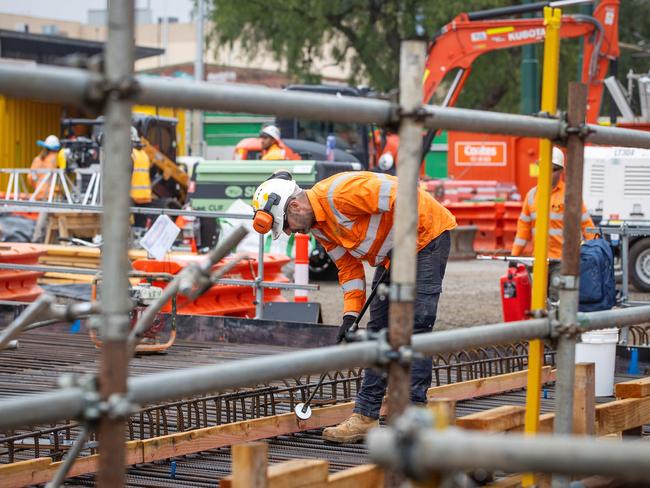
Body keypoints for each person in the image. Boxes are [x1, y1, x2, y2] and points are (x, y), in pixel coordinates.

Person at [251, 170, 457, 443]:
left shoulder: (341, 192)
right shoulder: (319, 228)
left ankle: (414, 417)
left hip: (427, 237)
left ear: (295, 206)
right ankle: (365, 416)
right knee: (377, 330)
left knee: (416, 325)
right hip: (392, 256)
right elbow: (349, 270)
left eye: (287, 225)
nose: (292, 231)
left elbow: (405, 195)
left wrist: (406, 239)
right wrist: (350, 316)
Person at [511, 146, 596, 259]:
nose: (548, 173)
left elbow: (587, 225)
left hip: (564, 261)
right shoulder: (531, 195)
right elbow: (523, 230)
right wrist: (514, 256)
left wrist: (597, 251)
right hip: (539, 261)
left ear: (561, 170)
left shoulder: (570, 195)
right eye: (545, 167)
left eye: (553, 169)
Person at [129, 127, 153, 227]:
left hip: (132, 195)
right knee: (140, 227)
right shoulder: (144, 154)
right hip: (145, 195)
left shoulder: (131, 154)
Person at [29, 135, 61, 200]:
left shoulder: (37, 159)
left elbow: (30, 177)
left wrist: (39, 187)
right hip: (51, 196)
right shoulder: (56, 158)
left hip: (38, 194)